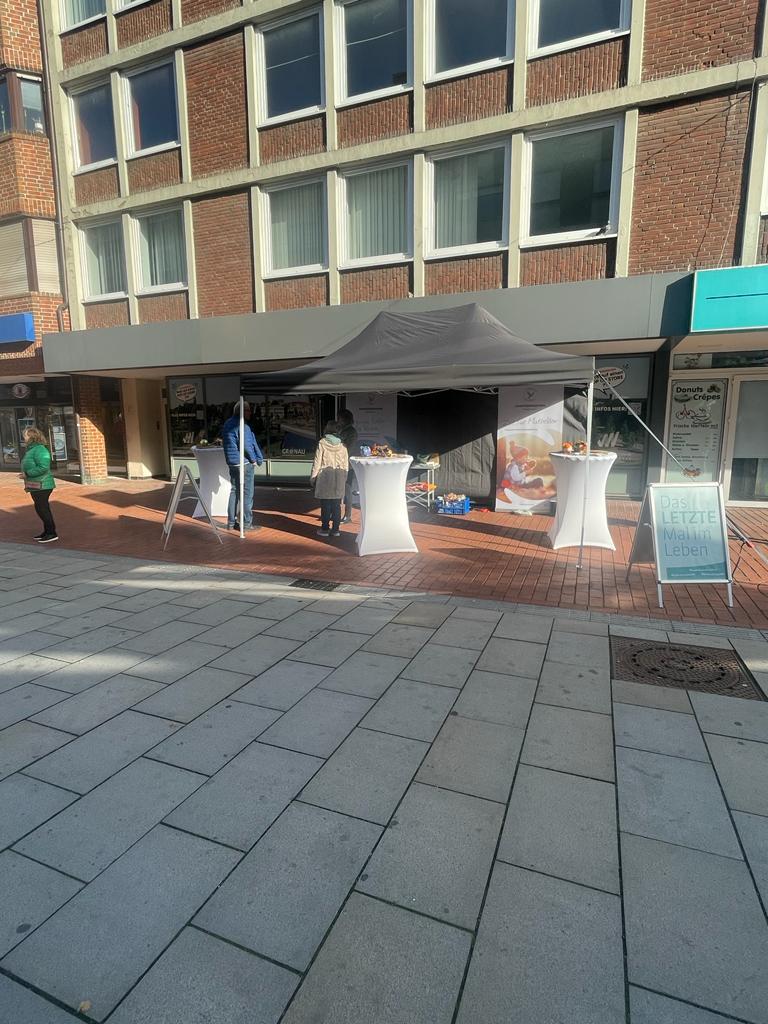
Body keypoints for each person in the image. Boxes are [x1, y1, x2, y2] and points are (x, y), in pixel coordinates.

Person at [221, 401, 264, 532]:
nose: (250, 413)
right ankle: (246, 524)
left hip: (232, 462)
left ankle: (231, 522)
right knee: (247, 494)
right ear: (242, 412)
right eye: (248, 410)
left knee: (234, 491)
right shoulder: (243, 426)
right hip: (244, 463)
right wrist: (254, 460)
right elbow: (246, 446)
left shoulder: (227, 424)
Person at [311, 420, 349, 538]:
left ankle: (325, 529)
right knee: (337, 505)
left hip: (325, 478)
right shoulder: (343, 445)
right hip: (339, 478)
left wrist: (313, 477)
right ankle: (336, 530)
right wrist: (344, 478)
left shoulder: (322, 443)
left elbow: (317, 462)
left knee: (325, 505)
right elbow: (345, 465)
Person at [20, 427, 58, 543]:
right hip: (35, 483)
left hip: (43, 484)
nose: (24, 438)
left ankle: (51, 533)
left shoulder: (40, 449)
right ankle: (47, 531)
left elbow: (43, 467)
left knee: (43, 508)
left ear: (32, 437)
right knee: (40, 508)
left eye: (25, 436)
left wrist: (27, 473)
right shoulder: (32, 449)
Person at [338, 408, 359, 524]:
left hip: (346, 464)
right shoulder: (344, 430)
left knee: (347, 489)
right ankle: (338, 513)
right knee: (341, 489)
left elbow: (348, 449)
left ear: (345, 419)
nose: (338, 421)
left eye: (340, 418)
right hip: (341, 463)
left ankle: (347, 515)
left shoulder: (350, 431)